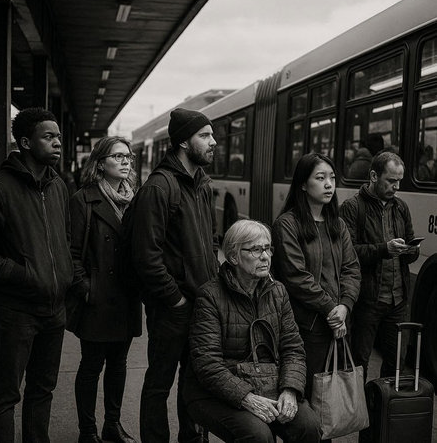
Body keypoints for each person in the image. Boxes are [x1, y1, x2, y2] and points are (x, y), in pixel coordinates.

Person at [128, 108, 219, 443]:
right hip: (172, 308)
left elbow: (211, 242)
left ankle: (192, 439)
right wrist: (175, 299)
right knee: (159, 382)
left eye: (212, 135)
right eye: (205, 136)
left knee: (195, 382)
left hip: (203, 304)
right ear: (183, 141)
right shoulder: (159, 188)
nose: (214, 142)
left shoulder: (204, 186)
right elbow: (146, 255)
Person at [184, 219, 321, 443]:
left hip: (269, 383)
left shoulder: (278, 292)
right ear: (233, 256)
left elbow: (293, 349)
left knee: (309, 426)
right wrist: (246, 397)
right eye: (256, 250)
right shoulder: (210, 296)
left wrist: (290, 390)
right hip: (214, 393)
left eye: (268, 248)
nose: (265, 256)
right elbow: (207, 364)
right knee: (258, 435)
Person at [0, 107, 74, 442]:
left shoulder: (58, 187)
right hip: (15, 311)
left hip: (54, 309)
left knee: (42, 390)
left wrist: (63, 275)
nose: (57, 143)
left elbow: (64, 239)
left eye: (58, 137)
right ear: (25, 141)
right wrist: (24, 275)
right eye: (48, 137)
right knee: (6, 394)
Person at [271, 153, 360, 424]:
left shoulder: (338, 224)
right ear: (302, 184)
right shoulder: (288, 224)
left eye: (332, 178)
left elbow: (352, 269)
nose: (329, 184)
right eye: (320, 178)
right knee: (307, 402)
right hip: (305, 326)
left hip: (337, 322)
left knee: (327, 403)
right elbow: (296, 276)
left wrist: (345, 305)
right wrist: (331, 308)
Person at [68, 136, 140, 443]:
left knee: (119, 365)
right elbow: (70, 252)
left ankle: (112, 424)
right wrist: (85, 287)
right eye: (118, 156)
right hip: (97, 297)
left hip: (126, 297)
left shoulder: (135, 199)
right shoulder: (83, 199)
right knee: (91, 366)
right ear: (100, 163)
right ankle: (88, 431)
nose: (125, 162)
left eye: (128, 157)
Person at [340, 151, 419, 380]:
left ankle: (382, 409)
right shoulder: (353, 207)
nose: (396, 187)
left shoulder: (400, 207)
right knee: (359, 361)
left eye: (399, 181)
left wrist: (410, 251)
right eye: (391, 180)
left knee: (396, 362)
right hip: (368, 299)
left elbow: (410, 245)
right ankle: (359, 411)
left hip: (397, 299)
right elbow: (348, 253)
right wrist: (385, 249)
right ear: (374, 176)